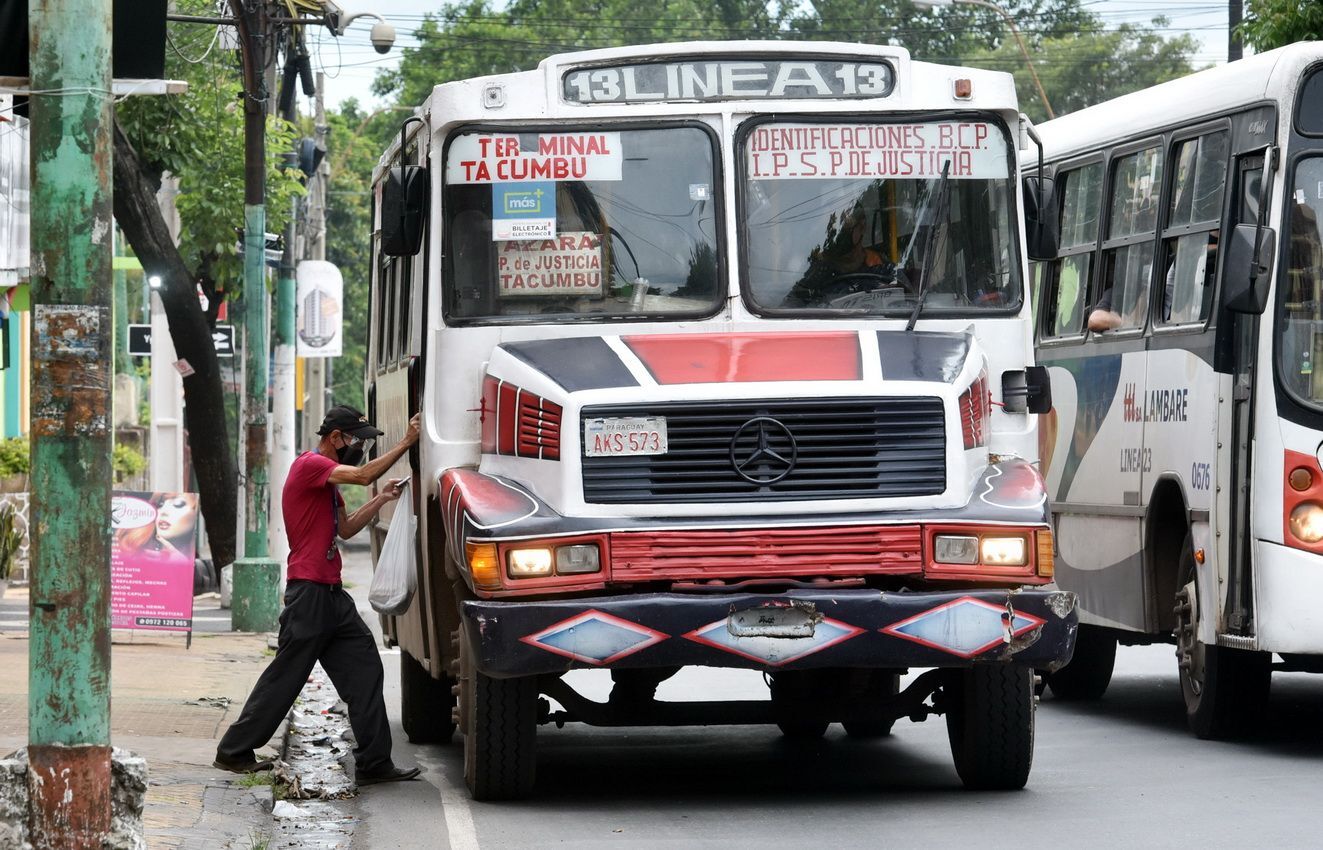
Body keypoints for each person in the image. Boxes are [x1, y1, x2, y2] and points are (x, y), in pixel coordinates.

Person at [214, 405, 423, 786]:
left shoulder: (328, 485)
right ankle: (232, 751)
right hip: (308, 594)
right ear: (334, 438)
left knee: (365, 670)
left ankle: (375, 763)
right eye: (356, 439)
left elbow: (344, 529)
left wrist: (381, 501)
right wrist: (407, 442)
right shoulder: (309, 465)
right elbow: (362, 474)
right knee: (286, 677)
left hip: (332, 595)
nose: (359, 446)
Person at [116, 492, 199, 562]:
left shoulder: (204, 569)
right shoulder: (135, 552)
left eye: (178, 504)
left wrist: (182, 566)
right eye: (160, 504)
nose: (163, 511)